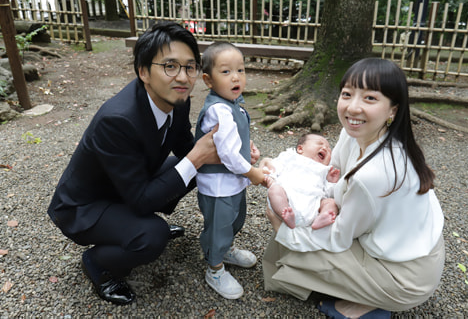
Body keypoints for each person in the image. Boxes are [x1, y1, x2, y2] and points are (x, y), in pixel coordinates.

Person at [47, 22, 219, 305]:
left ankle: (130, 226)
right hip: (86, 206)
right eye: (170, 66)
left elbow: (184, 145)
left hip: (127, 185)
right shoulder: (117, 120)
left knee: (194, 168)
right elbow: (143, 196)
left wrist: (227, 155)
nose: (183, 77)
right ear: (143, 72)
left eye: (190, 67)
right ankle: (98, 262)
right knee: (154, 236)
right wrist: (197, 157)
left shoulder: (178, 98)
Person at [262, 58, 445, 318]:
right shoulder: (357, 133)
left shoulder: (375, 174)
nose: (353, 107)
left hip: (406, 276)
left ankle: (370, 301)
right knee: (303, 220)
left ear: (393, 109)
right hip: (408, 246)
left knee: (293, 246)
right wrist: (282, 168)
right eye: (347, 94)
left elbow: (339, 235)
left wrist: (283, 231)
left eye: (370, 98)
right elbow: (330, 176)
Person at [194, 41, 266, 300]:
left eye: (241, 70)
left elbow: (235, 140)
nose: (236, 77)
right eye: (225, 72)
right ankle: (214, 267)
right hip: (218, 184)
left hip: (233, 181)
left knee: (235, 219)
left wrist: (250, 148)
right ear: (208, 79)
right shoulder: (218, 109)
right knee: (219, 225)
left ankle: (225, 249)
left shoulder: (234, 104)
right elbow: (226, 154)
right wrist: (253, 172)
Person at [262, 133, 340, 231]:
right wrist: (270, 178)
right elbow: (273, 167)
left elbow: (327, 193)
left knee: (330, 202)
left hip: (312, 205)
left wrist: (331, 183)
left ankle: (321, 218)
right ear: (300, 149)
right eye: (319, 144)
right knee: (274, 189)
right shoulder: (290, 157)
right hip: (288, 198)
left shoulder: (324, 170)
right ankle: (284, 213)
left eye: (329, 149)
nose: (325, 148)